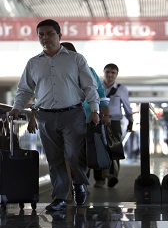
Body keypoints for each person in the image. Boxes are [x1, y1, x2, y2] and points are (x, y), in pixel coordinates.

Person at [8, 19, 100, 211]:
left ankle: (77, 183)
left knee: (74, 155)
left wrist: (95, 110)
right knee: (55, 159)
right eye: (41, 34)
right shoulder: (33, 63)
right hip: (46, 117)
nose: (45, 38)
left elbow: (89, 86)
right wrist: (17, 107)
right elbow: (24, 89)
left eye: (49, 33)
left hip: (72, 114)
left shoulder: (76, 59)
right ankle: (60, 197)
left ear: (60, 36)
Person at [28, 42, 110, 196]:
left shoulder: (87, 70)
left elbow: (99, 93)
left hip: (84, 118)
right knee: (59, 157)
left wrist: (101, 114)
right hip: (55, 117)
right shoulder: (48, 70)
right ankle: (63, 193)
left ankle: (79, 183)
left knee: (76, 155)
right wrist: (32, 116)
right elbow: (41, 95)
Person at [102, 63, 133, 187]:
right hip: (99, 121)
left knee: (115, 149)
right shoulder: (97, 87)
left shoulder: (121, 88)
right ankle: (100, 178)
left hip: (114, 122)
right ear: (103, 72)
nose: (109, 75)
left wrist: (130, 120)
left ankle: (113, 176)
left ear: (116, 74)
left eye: (113, 72)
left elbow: (126, 105)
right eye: (107, 72)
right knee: (98, 149)